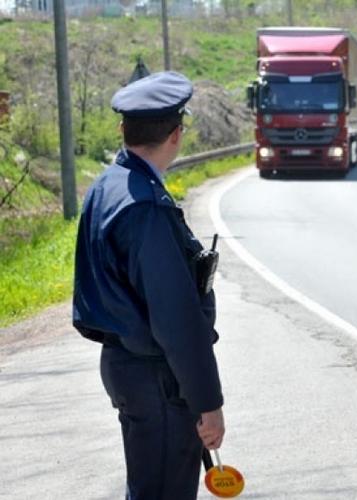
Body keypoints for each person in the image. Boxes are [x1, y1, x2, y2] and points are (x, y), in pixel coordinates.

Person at [73, 71, 225, 499]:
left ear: (123, 130)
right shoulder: (145, 207)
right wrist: (208, 402)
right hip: (157, 376)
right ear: (176, 134)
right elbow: (175, 318)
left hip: (128, 365)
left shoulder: (108, 186)